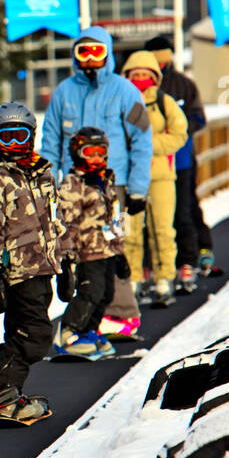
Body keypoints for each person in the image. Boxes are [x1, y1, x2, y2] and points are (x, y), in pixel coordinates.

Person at [40, 25, 152, 341]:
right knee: (79, 249)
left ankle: (121, 312)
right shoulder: (63, 93)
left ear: (107, 55)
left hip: (111, 187)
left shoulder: (126, 91)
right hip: (72, 188)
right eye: (83, 53)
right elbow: (49, 141)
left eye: (97, 52)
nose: (90, 60)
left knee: (113, 247)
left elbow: (142, 139)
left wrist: (139, 188)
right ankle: (88, 316)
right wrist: (47, 186)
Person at [0, 101, 72, 424]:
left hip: (43, 268)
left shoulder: (43, 175)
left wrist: (66, 262)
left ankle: (7, 392)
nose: (14, 145)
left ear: (31, 137)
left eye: (20, 136)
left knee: (27, 333)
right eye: (6, 138)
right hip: (16, 272)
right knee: (34, 334)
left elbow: (57, 221)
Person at [146, 36, 220, 287]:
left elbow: (199, 118)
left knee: (185, 208)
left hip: (181, 158)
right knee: (153, 215)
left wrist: (177, 129)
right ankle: (158, 264)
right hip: (151, 162)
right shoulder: (137, 87)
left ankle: (196, 253)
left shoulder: (183, 84)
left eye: (162, 55)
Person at [52, 127, 129, 359]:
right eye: (90, 152)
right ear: (78, 154)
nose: (96, 157)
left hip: (106, 249)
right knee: (90, 292)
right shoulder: (73, 184)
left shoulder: (105, 179)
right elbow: (66, 223)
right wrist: (66, 257)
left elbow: (113, 217)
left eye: (100, 152)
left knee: (106, 293)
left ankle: (89, 331)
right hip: (86, 252)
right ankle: (68, 333)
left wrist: (120, 251)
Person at [119, 50, 188, 308]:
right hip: (128, 176)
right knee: (131, 232)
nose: (139, 79)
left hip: (160, 175)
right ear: (126, 76)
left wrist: (147, 145)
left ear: (155, 77)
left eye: (145, 75)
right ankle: (134, 279)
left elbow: (180, 134)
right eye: (134, 74)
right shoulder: (120, 101)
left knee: (162, 229)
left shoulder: (164, 101)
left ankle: (164, 278)